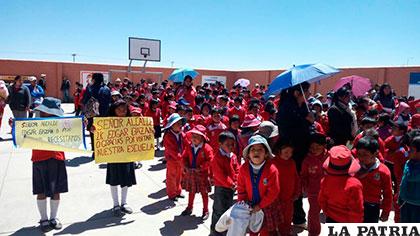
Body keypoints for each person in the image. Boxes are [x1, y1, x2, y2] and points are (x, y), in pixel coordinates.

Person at [276, 82, 313, 227]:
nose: (309, 94)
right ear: (297, 93)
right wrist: (306, 122)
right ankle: (297, 218)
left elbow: (305, 126)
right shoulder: (286, 108)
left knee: (297, 185)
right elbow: (287, 131)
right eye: (306, 91)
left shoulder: (303, 107)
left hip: (302, 151)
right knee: (291, 185)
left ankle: (296, 216)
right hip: (291, 154)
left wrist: (310, 121)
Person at [31, 97, 67, 232]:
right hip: (39, 158)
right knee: (41, 190)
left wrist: (83, 125)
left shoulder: (63, 123)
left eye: (53, 113)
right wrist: (14, 127)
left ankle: (53, 217)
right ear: (42, 112)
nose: (51, 115)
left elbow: (75, 135)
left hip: (57, 157)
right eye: (48, 112)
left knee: (56, 190)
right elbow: (22, 136)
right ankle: (44, 218)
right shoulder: (33, 123)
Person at [237, 135, 280, 236]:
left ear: (266, 154)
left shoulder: (272, 170)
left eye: (260, 149)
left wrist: (260, 206)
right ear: (248, 155)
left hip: (266, 206)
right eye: (253, 149)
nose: (256, 152)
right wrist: (242, 204)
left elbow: (273, 192)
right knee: (253, 229)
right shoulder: (244, 168)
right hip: (250, 205)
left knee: (265, 230)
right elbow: (241, 188)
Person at [104, 100, 136, 216]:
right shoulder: (107, 123)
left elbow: (138, 135)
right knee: (114, 180)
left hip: (127, 155)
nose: (122, 112)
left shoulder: (132, 122)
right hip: (113, 155)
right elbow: (99, 133)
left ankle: (124, 203)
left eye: (124, 109)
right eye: (119, 109)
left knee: (126, 179)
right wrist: (93, 129)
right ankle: (116, 204)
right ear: (114, 110)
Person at [318, 145, 364, 223]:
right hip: (348, 221)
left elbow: (322, 200)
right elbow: (356, 209)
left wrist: (327, 212)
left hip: (331, 218)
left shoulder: (325, 180)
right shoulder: (354, 184)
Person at [355, 137, 393, 223]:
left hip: (372, 207)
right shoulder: (354, 166)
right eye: (359, 154)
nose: (361, 158)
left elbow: (388, 192)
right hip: (354, 205)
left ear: (375, 154)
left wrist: (386, 211)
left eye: (365, 155)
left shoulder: (383, 171)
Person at [181, 125, 214, 220]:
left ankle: (205, 210)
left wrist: (201, 167)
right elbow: (184, 157)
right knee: (191, 192)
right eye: (193, 136)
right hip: (191, 173)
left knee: (204, 193)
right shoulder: (189, 146)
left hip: (202, 174)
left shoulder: (207, 148)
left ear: (202, 138)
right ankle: (189, 207)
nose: (194, 138)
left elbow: (210, 160)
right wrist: (185, 165)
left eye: (197, 136)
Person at [211, 131, 239, 235]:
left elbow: (237, 169)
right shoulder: (217, 158)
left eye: (233, 144)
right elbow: (220, 175)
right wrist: (232, 184)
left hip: (231, 188)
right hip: (221, 188)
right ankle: (215, 232)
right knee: (219, 211)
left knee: (228, 210)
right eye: (228, 145)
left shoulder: (233, 156)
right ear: (220, 144)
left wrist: (236, 180)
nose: (231, 147)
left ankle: (224, 230)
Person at [300, 133, 328, 236]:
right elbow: (303, 175)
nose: (314, 149)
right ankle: (313, 233)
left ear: (324, 146)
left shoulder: (330, 157)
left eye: (318, 147)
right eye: (312, 147)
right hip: (314, 192)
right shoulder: (307, 160)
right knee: (313, 214)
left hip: (329, 192)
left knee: (333, 213)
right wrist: (304, 185)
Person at [271, 139, 300, 236]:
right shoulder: (272, 163)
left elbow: (296, 178)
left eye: (291, 152)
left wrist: (297, 192)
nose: (289, 154)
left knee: (287, 219)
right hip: (276, 200)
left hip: (289, 199)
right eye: (286, 152)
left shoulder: (292, 162)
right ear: (279, 151)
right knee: (275, 221)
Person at [82, 73, 111, 157]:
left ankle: (95, 151)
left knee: (93, 132)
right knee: (103, 133)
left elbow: (84, 101)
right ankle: (103, 150)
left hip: (92, 115)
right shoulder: (107, 89)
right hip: (104, 114)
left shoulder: (90, 88)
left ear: (94, 79)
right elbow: (109, 101)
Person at [163, 113, 186, 201]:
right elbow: (171, 150)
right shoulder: (168, 136)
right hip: (172, 160)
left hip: (180, 160)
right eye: (177, 124)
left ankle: (178, 191)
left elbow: (186, 143)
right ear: (171, 126)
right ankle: (172, 194)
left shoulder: (181, 134)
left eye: (180, 123)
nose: (180, 126)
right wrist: (181, 157)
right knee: (171, 177)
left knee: (179, 176)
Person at [399, 130, 420, 223]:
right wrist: (400, 197)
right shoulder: (409, 162)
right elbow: (404, 181)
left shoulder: (410, 164)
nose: (408, 152)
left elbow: (410, 176)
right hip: (406, 202)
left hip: (417, 205)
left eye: (411, 150)